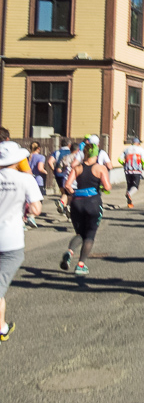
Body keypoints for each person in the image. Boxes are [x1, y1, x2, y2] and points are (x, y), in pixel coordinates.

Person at [0, 141, 43, 341]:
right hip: (11, 240)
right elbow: (36, 209)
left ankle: (2, 327)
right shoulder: (25, 180)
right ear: (17, 160)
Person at [60, 141, 112, 276]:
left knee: (79, 234)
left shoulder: (77, 168)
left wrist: (74, 193)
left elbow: (67, 185)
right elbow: (107, 187)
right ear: (96, 154)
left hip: (77, 203)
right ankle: (81, 265)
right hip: (93, 202)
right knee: (89, 235)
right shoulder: (100, 168)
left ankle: (70, 252)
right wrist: (99, 187)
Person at [47, 137, 73, 217]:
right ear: (69, 145)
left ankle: (65, 209)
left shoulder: (57, 152)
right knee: (68, 193)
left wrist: (54, 170)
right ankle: (63, 204)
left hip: (58, 175)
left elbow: (50, 161)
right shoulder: (71, 152)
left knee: (63, 192)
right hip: (68, 174)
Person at [119, 137, 144, 208]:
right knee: (135, 186)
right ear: (138, 143)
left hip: (127, 170)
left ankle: (129, 203)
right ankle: (129, 194)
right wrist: (143, 166)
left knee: (129, 185)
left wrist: (124, 163)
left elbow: (119, 159)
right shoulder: (141, 150)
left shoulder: (126, 149)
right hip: (136, 170)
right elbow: (143, 160)